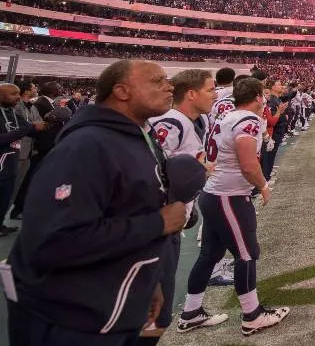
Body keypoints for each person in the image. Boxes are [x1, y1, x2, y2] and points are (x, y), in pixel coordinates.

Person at [6, 60, 188, 346]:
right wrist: (159, 222)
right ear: (122, 91)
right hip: (74, 321)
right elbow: (55, 241)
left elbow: (125, 209)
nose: (170, 86)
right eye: (157, 80)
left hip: (114, 307)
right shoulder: (86, 146)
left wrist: (146, 282)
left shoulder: (135, 136)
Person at [179, 77, 290, 337]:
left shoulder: (227, 116)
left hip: (214, 193)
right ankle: (252, 315)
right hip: (228, 195)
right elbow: (248, 163)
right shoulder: (247, 120)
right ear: (258, 96)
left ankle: (190, 312)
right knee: (247, 253)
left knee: (210, 255)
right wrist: (263, 185)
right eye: (262, 95)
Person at [146, 69, 224, 341]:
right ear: (191, 94)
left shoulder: (194, 120)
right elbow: (152, 168)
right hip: (161, 222)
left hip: (177, 214)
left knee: (158, 308)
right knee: (153, 311)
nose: (215, 95)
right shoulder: (172, 122)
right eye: (210, 90)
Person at [10, 81, 67, 220]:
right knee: (26, 179)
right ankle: (18, 208)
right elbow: (36, 126)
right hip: (39, 148)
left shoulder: (47, 104)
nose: (61, 89)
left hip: (42, 147)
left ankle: (22, 207)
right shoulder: (41, 103)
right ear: (51, 90)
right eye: (58, 87)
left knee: (32, 178)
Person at [0, 83, 50, 236]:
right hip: (1, 164)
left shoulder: (13, 113)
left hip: (12, 163)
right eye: (13, 94)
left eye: (17, 93)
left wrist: (49, 124)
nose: (17, 96)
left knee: (6, 198)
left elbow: (32, 129)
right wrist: (29, 128)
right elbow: (2, 139)